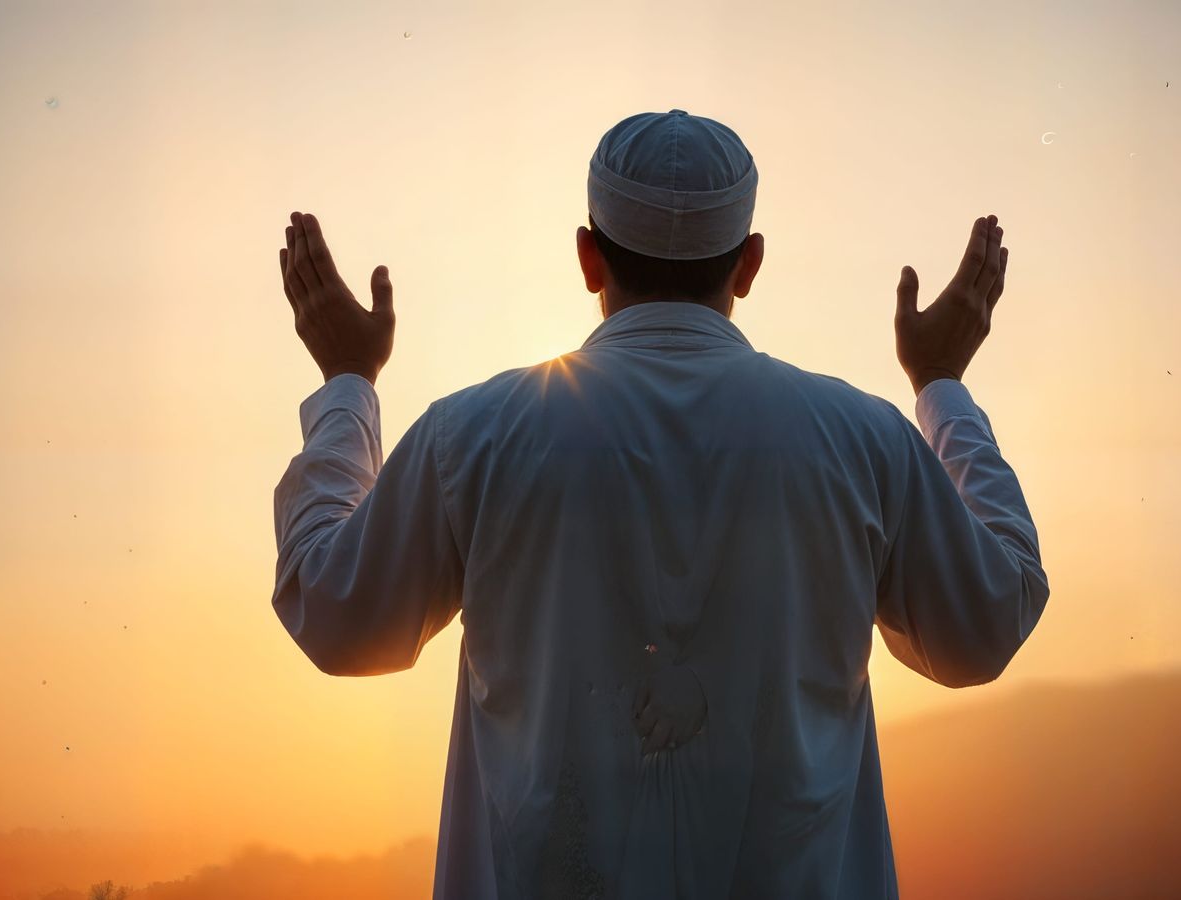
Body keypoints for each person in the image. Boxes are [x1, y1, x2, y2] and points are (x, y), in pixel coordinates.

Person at [271, 109, 1049, 899]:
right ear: (748, 265)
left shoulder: (475, 436)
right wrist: (943, 388)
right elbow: (985, 623)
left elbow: (338, 616)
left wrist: (347, 381)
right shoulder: (861, 442)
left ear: (587, 256)